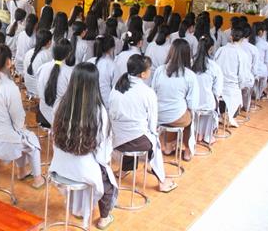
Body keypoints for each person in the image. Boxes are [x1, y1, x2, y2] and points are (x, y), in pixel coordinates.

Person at [49, 62, 117, 230]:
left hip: (59, 166)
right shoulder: (99, 112)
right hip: (83, 170)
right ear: (95, 84)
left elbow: (54, 136)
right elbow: (102, 154)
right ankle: (104, 218)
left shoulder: (60, 105)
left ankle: (78, 207)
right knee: (109, 183)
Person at [0, 43, 44, 189]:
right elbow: (18, 118)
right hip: (3, 141)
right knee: (32, 142)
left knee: (22, 136)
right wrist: (20, 127)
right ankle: (38, 179)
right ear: (8, 62)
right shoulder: (9, 87)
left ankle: (22, 171)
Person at [109, 54, 177, 193]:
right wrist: (154, 134)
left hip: (115, 139)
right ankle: (162, 181)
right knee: (154, 141)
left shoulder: (117, 87)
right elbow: (152, 124)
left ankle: (123, 170)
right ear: (143, 74)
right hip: (136, 142)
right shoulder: (147, 92)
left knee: (134, 133)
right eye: (149, 69)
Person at [151, 39, 198, 161]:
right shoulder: (189, 75)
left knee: (176, 113)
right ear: (187, 55)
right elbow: (193, 104)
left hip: (158, 115)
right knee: (189, 116)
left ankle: (168, 145)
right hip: (177, 118)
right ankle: (187, 150)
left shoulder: (159, 70)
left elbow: (153, 92)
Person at [214, 28, 249, 127]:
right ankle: (228, 116)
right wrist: (241, 86)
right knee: (238, 96)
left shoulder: (221, 50)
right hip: (232, 87)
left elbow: (214, 66)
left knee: (222, 97)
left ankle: (223, 115)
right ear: (242, 39)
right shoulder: (242, 54)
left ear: (230, 37)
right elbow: (242, 74)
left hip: (218, 84)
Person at [192, 36, 223, 145]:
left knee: (198, 107)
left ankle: (197, 132)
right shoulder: (214, 67)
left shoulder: (190, 63)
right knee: (212, 103)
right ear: (210, 49)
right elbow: (217, 90)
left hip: (192, 104)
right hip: (207, 105)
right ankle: (206, 134)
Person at [36, 38, 73, 127]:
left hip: (42, 115)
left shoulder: (42, 68)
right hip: (61, 119)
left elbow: (38, 91)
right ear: (69, 54)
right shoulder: (70, 72)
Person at [87, 34, 116, 108]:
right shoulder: (112, 65)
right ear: (111, 48)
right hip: (106, 103)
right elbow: (116, 87)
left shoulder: (89, 62)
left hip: (89, 102)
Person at [23, 29, 53, 98]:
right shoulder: (48, 55)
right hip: (39, 92)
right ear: (49, 42)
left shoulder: (29, 52)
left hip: (28, 86)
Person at [252, 22, 268, 101]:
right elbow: (267, 60)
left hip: (250, 70)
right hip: (260, 70)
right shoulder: (265, 44)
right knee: (264, 76)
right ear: (260, 32)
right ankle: (258, 95)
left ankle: (254, 93)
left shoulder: (249, 42)